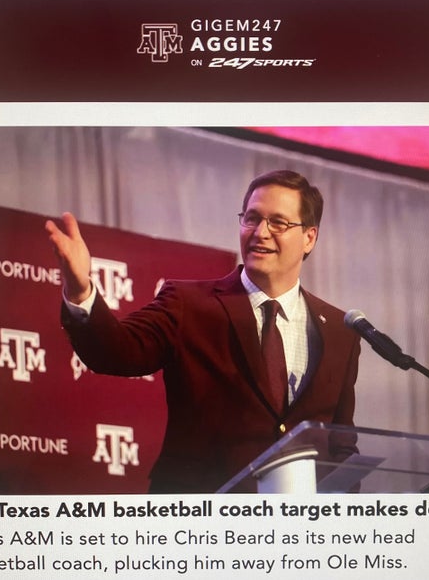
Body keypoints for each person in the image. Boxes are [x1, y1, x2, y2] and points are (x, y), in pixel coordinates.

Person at [45, 170, 360, 493]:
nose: (260, 232)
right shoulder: (188, 304)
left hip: (299, 521)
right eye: (252, 218)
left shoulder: (341, 331)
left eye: (278, 222)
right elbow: (115, 350)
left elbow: (341, 444)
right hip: (199, 512)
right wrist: (81, 290)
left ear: (309, 237)